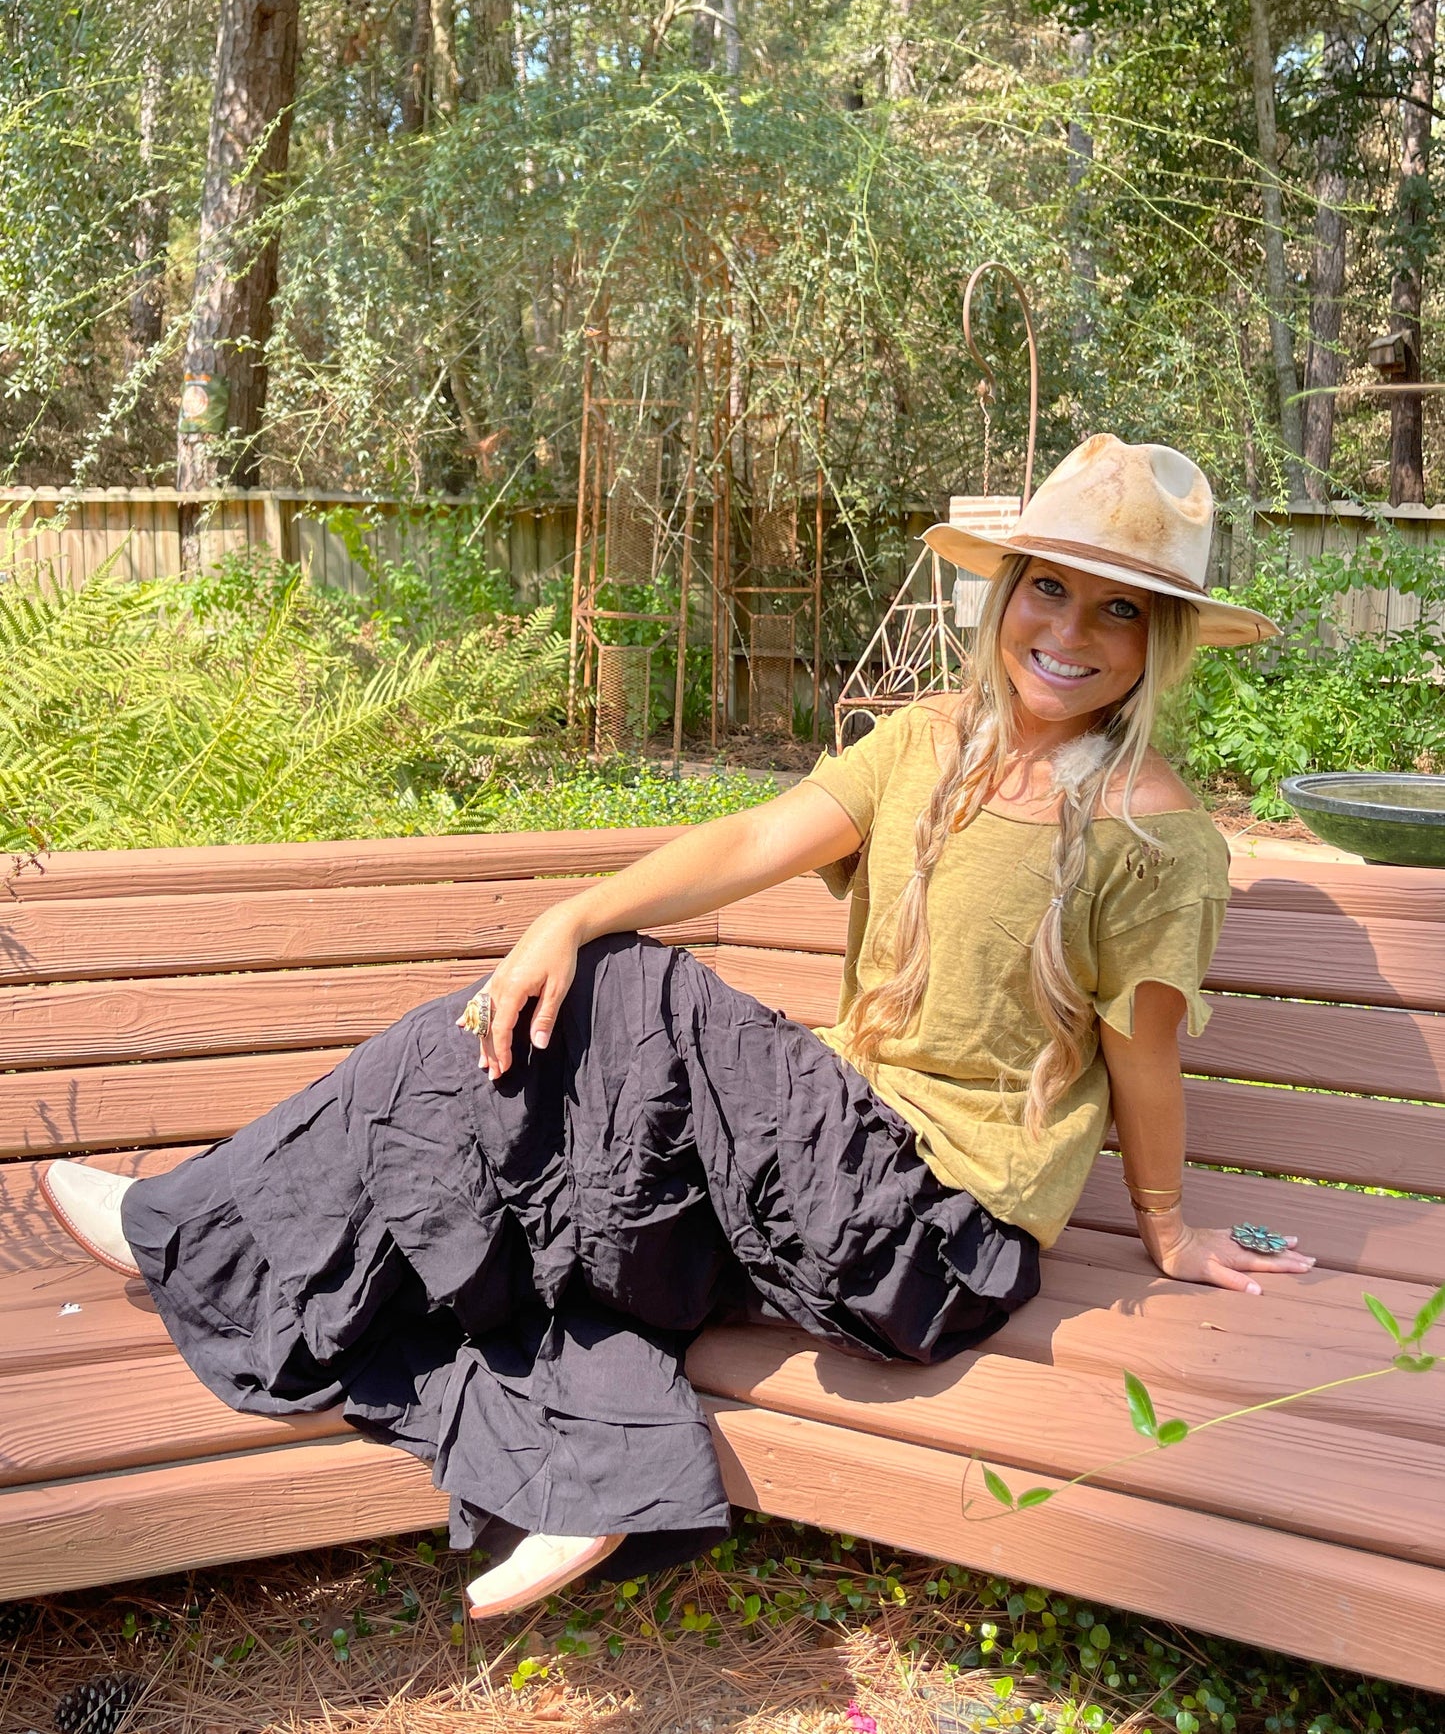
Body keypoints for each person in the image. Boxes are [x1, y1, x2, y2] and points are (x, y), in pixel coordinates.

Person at [40, 433, 1315, 1620]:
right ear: (1006, 594)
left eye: (1118, 609)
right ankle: (596, 1478)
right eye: (1048, 588)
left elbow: (1144, 1055)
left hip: (935, 1234)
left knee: (630, 989)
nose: (1069, 630)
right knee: (562, 1173)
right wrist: (570, 912)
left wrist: (1164, 1227)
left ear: (1161, 641)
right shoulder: (926, 743)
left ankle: (192, 1230)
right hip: (825, 1179)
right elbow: (757, 838)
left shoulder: (1155, 836)